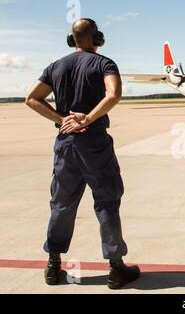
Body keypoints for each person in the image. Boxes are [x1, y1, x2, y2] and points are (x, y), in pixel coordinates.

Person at [25, 18, 140, 289]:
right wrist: (86, 119)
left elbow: (31, 98)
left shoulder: (55, 66)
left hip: (65, 144)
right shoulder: (104, 64)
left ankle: (53, 267)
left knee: (61, 204)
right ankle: (115, 268)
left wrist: (61, 118)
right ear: (97, 37)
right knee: (106, 201)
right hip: (94, 143)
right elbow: (113, 95)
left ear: (71, 39)